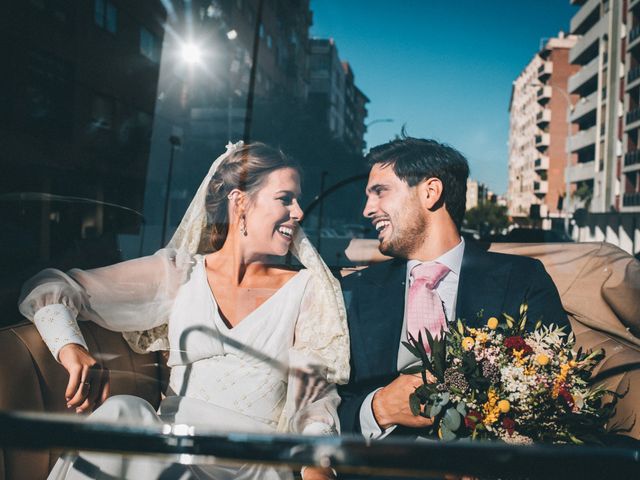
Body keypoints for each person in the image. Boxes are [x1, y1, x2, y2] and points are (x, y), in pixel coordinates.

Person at [18, 142, 349, 480]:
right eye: (285, 199)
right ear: (240, 202)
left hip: (252, 466)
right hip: (173, 453)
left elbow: (314, 397)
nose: (299, 213)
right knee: (124, 411)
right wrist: (70, 348)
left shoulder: (305, 288)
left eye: (298, 200)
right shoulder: (178, 272)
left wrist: (316, 464)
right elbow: (48, 289)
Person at [338, 136, 568, 440]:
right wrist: (377, 409)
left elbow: (556, 392)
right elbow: (318, 406)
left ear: (431, 192)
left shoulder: (521, 279)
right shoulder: (354, 291)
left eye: (380, 192)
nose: (368, 209)